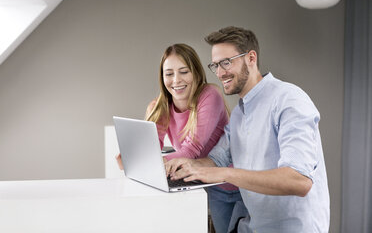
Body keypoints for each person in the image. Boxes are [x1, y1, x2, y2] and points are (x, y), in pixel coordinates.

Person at [165, 27, 330, 233]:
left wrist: (223, 174)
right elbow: (218, 158)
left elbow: (298, 180)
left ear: (251, 58)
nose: (219, 73)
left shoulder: (289, 99)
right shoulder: (239, 115)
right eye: (215, 65)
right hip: (254, 227)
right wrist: (188, 164)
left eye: (226, 62)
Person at [116, 43, 247, 233]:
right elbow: (152, 150)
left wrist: (144, 162)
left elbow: (190, 152)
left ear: (195, 73)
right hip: (195, 183)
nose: (176, 80)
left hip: (228, 185)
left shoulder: (209, 95)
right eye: (169, 74)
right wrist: (133, 159)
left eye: (184, 72)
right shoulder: (159, 106)